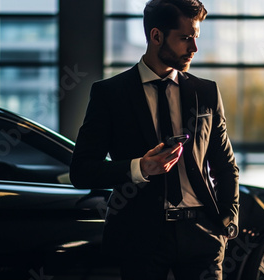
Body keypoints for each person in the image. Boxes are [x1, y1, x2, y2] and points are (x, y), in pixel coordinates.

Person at [70, 0, 239, 279]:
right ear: (156, 36)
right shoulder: (110, 94)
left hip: (202, 235)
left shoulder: (206, 92)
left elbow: (225, 166)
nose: (194, 48)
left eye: (196, 37)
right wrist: (139, 168)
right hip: (141, 238)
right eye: (185, 38)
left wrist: (227, 220)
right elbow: (82, 170)